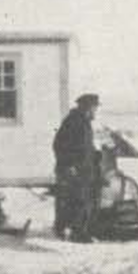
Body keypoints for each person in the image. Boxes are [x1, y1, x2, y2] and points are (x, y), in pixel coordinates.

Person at [52, 93, 101, 243]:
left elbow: (84, 146)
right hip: (74, 169)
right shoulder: (74, 121)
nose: (96, 111)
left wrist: (96, 155)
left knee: (78, 199)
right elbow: (59, 145)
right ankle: (77, 233)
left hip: (83, 169)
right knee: (77, 200)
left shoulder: (83, 122)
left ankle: (66, 229)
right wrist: (68, 165)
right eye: (94, 108)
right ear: (87, 108)